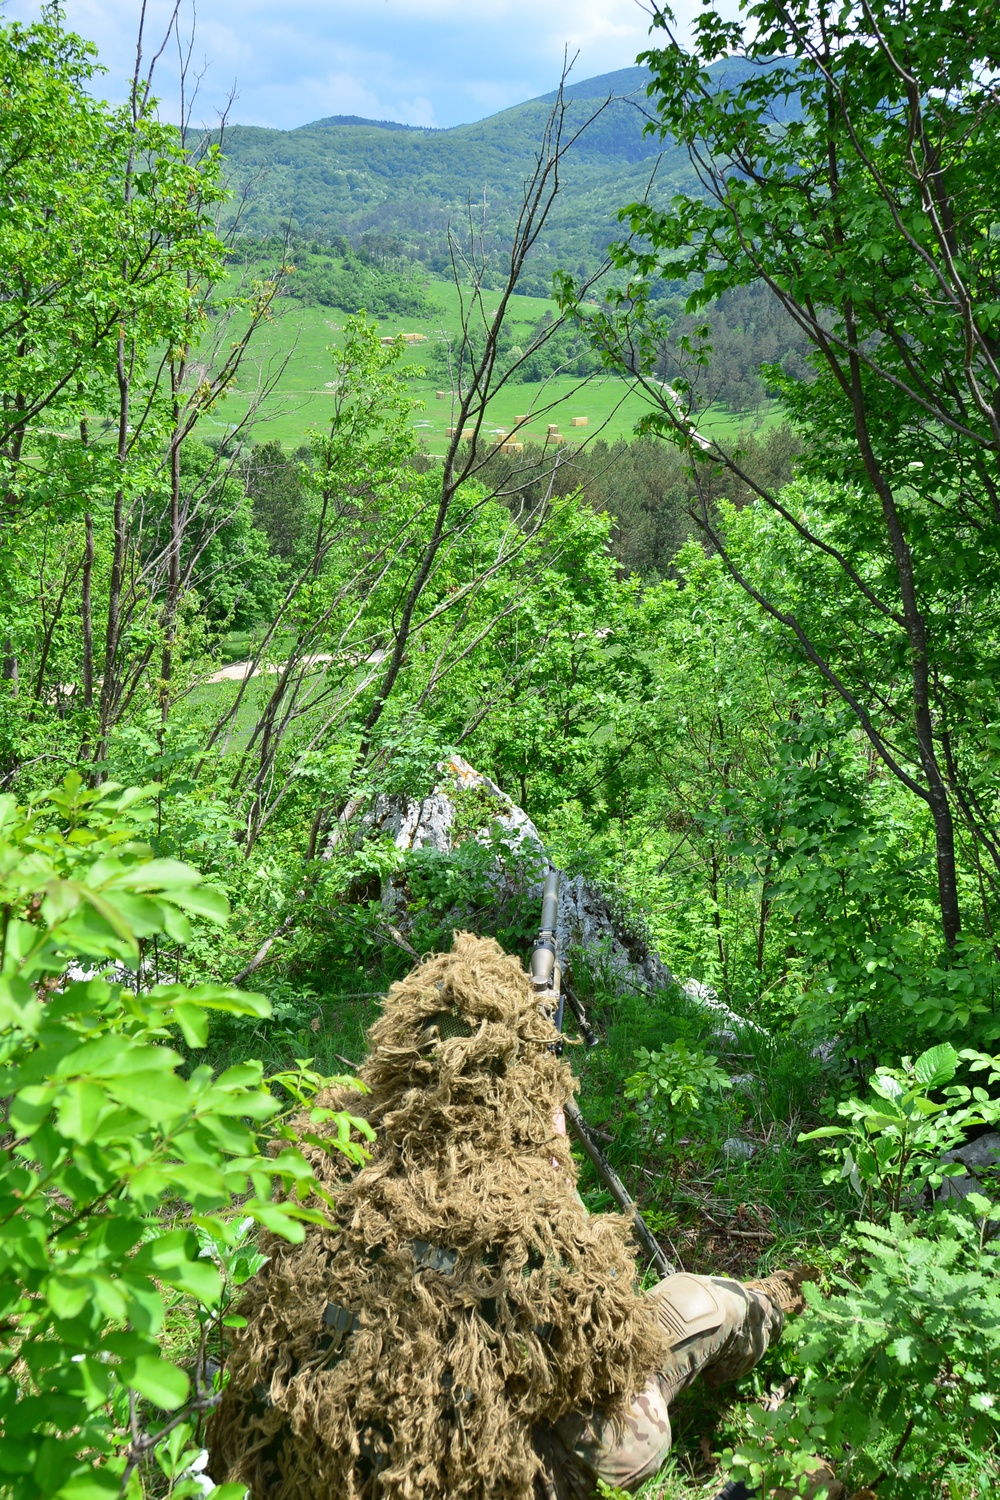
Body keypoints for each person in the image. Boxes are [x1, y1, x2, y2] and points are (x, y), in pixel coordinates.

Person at [209, 934, 835, 1500]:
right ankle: (786, 1299)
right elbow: (603, 1356)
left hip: (306, 1464)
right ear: (523, 1064)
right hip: (463, 1470)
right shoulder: (524, 1216)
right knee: (689, 1330)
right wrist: (553, 1163)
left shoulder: (322, 1149)